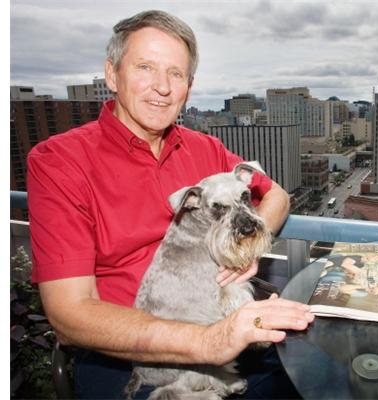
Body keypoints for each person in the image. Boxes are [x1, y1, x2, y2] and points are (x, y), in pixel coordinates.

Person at [26, 10, 313, 399]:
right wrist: (210, 341)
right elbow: (68, 315)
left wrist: (246, 247)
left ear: (188, 88)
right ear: (112, 74)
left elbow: (277, 194)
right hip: (129, 361)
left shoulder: (206, 149)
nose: (162, 87)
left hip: (226, 325)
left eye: (176, 74)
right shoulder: (59, 162)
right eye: (145, 67)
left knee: (318, 375)